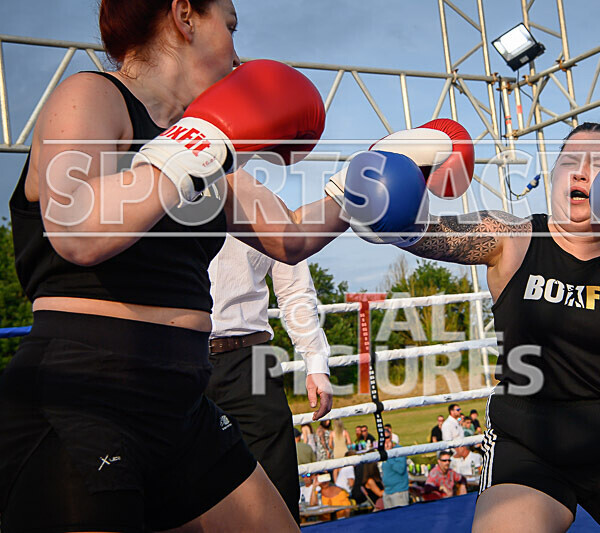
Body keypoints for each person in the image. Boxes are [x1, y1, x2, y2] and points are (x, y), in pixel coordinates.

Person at [0, 1, 357, 530]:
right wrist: (201, 145)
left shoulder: (215, 151)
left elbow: (290, 237)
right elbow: (76, 228)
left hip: (182, 404)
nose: (238, 53)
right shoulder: (92, 96)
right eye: (230, 27)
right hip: (83, 397)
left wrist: (373, 181)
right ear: (185, 15)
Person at [344, 121, 600, 531]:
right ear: (553, 176)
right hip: (528, 447)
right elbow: (426, 234)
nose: (579, 172)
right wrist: (388, 208)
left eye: (598, 165)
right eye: (569, 161)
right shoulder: (515, 237)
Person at [206, 234, 333, 523]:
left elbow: (294, 289)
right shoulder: (154, 195)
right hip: (173, 356)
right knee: (174, 489)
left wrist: (315, 361)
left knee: (277, 485)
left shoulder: (263, 209)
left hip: (252, 357)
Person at [380, 437, 410, 509]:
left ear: (390, 438)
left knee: (401, 518)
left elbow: (400, 469)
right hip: (387, 492)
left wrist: (388, 455)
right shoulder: (384, 452)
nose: (385, 441)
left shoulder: (399, 450)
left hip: (399, 492)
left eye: (387, 438)